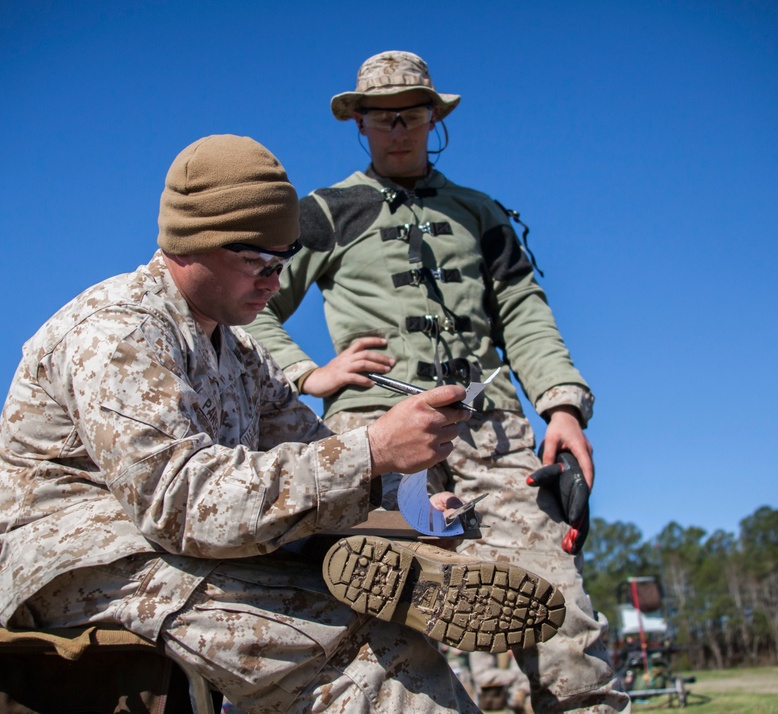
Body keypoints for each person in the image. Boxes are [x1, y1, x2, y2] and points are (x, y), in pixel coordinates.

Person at [0, 134, 568, 714]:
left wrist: (414, 503)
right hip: (77, 563)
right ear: (189, 243)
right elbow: (181, 502)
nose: (275, 281)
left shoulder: (239, 353)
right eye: (254, 259)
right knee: (352, 659)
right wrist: (375, 449)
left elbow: (310, 447)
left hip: (168, 550)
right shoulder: (117, 331)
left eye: (284, 260)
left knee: (383, 633)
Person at [246, 52, 631, 713]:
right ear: (359, 125)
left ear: (435, 119)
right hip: (374, 433)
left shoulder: (480, 213)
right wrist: (309, 373)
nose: (398, 128)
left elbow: (525, 312)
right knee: (373, 607)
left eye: (412, 115)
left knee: (555, 600)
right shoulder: (326, 212)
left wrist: (563, 407)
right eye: (381, 117)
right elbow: (252, 305)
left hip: (491, 430)